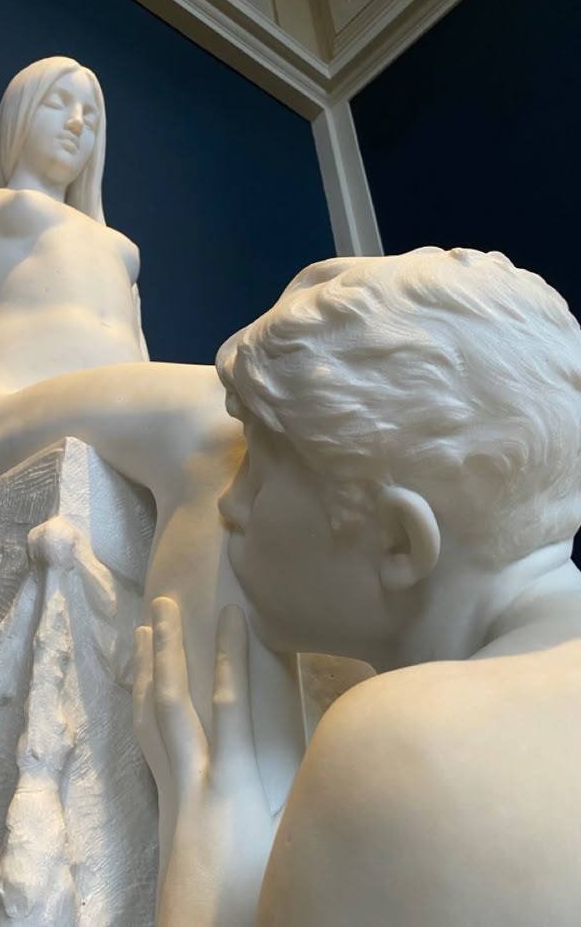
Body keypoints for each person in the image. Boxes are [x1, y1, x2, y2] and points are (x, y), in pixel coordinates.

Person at [0, 57, 307, 878]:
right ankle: (233, 815)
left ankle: (278, 803)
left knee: (249, 434)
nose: (78, 121)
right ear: (17, 113)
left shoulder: (120, 249)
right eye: (59, 101)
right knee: (216, 412)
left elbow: (135, 365)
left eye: (92, 111)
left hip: (91, 413)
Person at [135, 247, 581, 926]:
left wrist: (208, 888)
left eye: (258, 471)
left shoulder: (401, 747)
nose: (231, 503)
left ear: (399, 540)